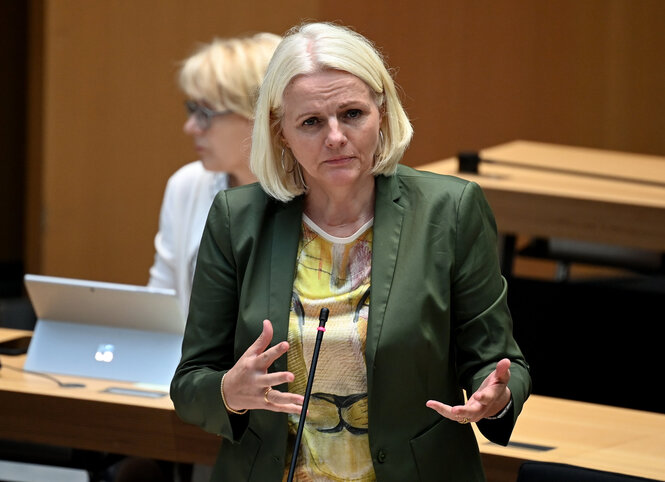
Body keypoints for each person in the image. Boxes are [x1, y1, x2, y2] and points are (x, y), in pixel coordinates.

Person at [170, 21, 531, 482]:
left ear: (382, 111)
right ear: (281, 132)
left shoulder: (451, 211)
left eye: (353, 114)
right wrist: (227, 390)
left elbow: (499, 360)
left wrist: (495, 396)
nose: (336, 137)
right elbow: (190, 383)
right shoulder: (236, 219)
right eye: (311, 122)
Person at [148, 32, 282, 315]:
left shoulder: (319, 192)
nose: (191, 127)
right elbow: (161, 309)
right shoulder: (187, 185)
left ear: (259, 115)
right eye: (191, 109)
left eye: (205, 113)